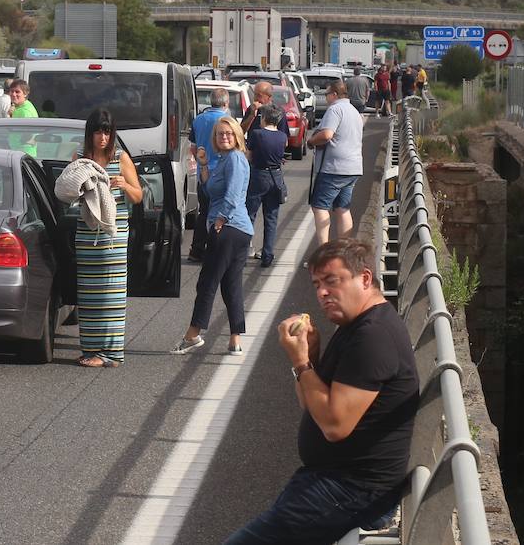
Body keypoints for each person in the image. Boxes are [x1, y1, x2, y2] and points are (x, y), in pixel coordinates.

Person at [224, 239, 418, 545]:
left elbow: (334, 425)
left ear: (365, 278)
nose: (322, 293)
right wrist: (311, 359)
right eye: (316, 284)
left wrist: (301, 363)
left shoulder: (373, 337)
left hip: (353, 492)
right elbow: (313, 406)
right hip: (332, 482)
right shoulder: (353, 325)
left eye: (332, 281)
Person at [172, 115, 252, 356]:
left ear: (237, 136)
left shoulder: (236, 159)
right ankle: (235, 339)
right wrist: (204, 164)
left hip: (228, 228)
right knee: (230, 285)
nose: (224, 137)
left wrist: (220, 219)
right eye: (220, 134)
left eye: (228, 133)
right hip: (237, 230)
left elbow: (233, 195)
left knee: (207, 282)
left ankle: (193, 334)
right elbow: (208, 190)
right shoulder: (223, 160)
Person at [74, 108, 143, 368]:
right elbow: (67, 191)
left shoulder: (120, 158)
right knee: (89, 294)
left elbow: (139, 196)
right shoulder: (80, 158)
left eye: (107, 132)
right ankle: (91, 350)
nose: (102, 137)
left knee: (111, 294)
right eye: (98, 131)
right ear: (89, 133)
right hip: (87, 234)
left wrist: (124, 185)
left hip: (113, 236)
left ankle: (111, 354)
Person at [307, 80, 364, 254]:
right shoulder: (354, 111)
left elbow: (326, 134)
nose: (326, 98)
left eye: (327, 94)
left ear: (334, 94)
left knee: (320, 207)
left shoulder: (335, 109)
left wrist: (311, 141)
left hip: (334, 168)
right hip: (353, 167)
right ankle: (345, 251)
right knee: (342, 209)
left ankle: (323, 254)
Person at [188, 89, 230, 262]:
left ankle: (196, 250)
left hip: (202, 171)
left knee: (204, 211)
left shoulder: (199, 119)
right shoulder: (226, 121)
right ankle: (215, 250)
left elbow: (193, 147)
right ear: (226, 103)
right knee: (220, 212)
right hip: (220, 172)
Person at [246, 104, 288, 268]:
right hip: (276, 176)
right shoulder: (282, 137)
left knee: (250, 214)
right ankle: (268, 254)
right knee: (271, 217)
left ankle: (243, 252)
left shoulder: (257, 134)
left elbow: (249, 156)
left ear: (264, 118)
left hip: (258, 175)